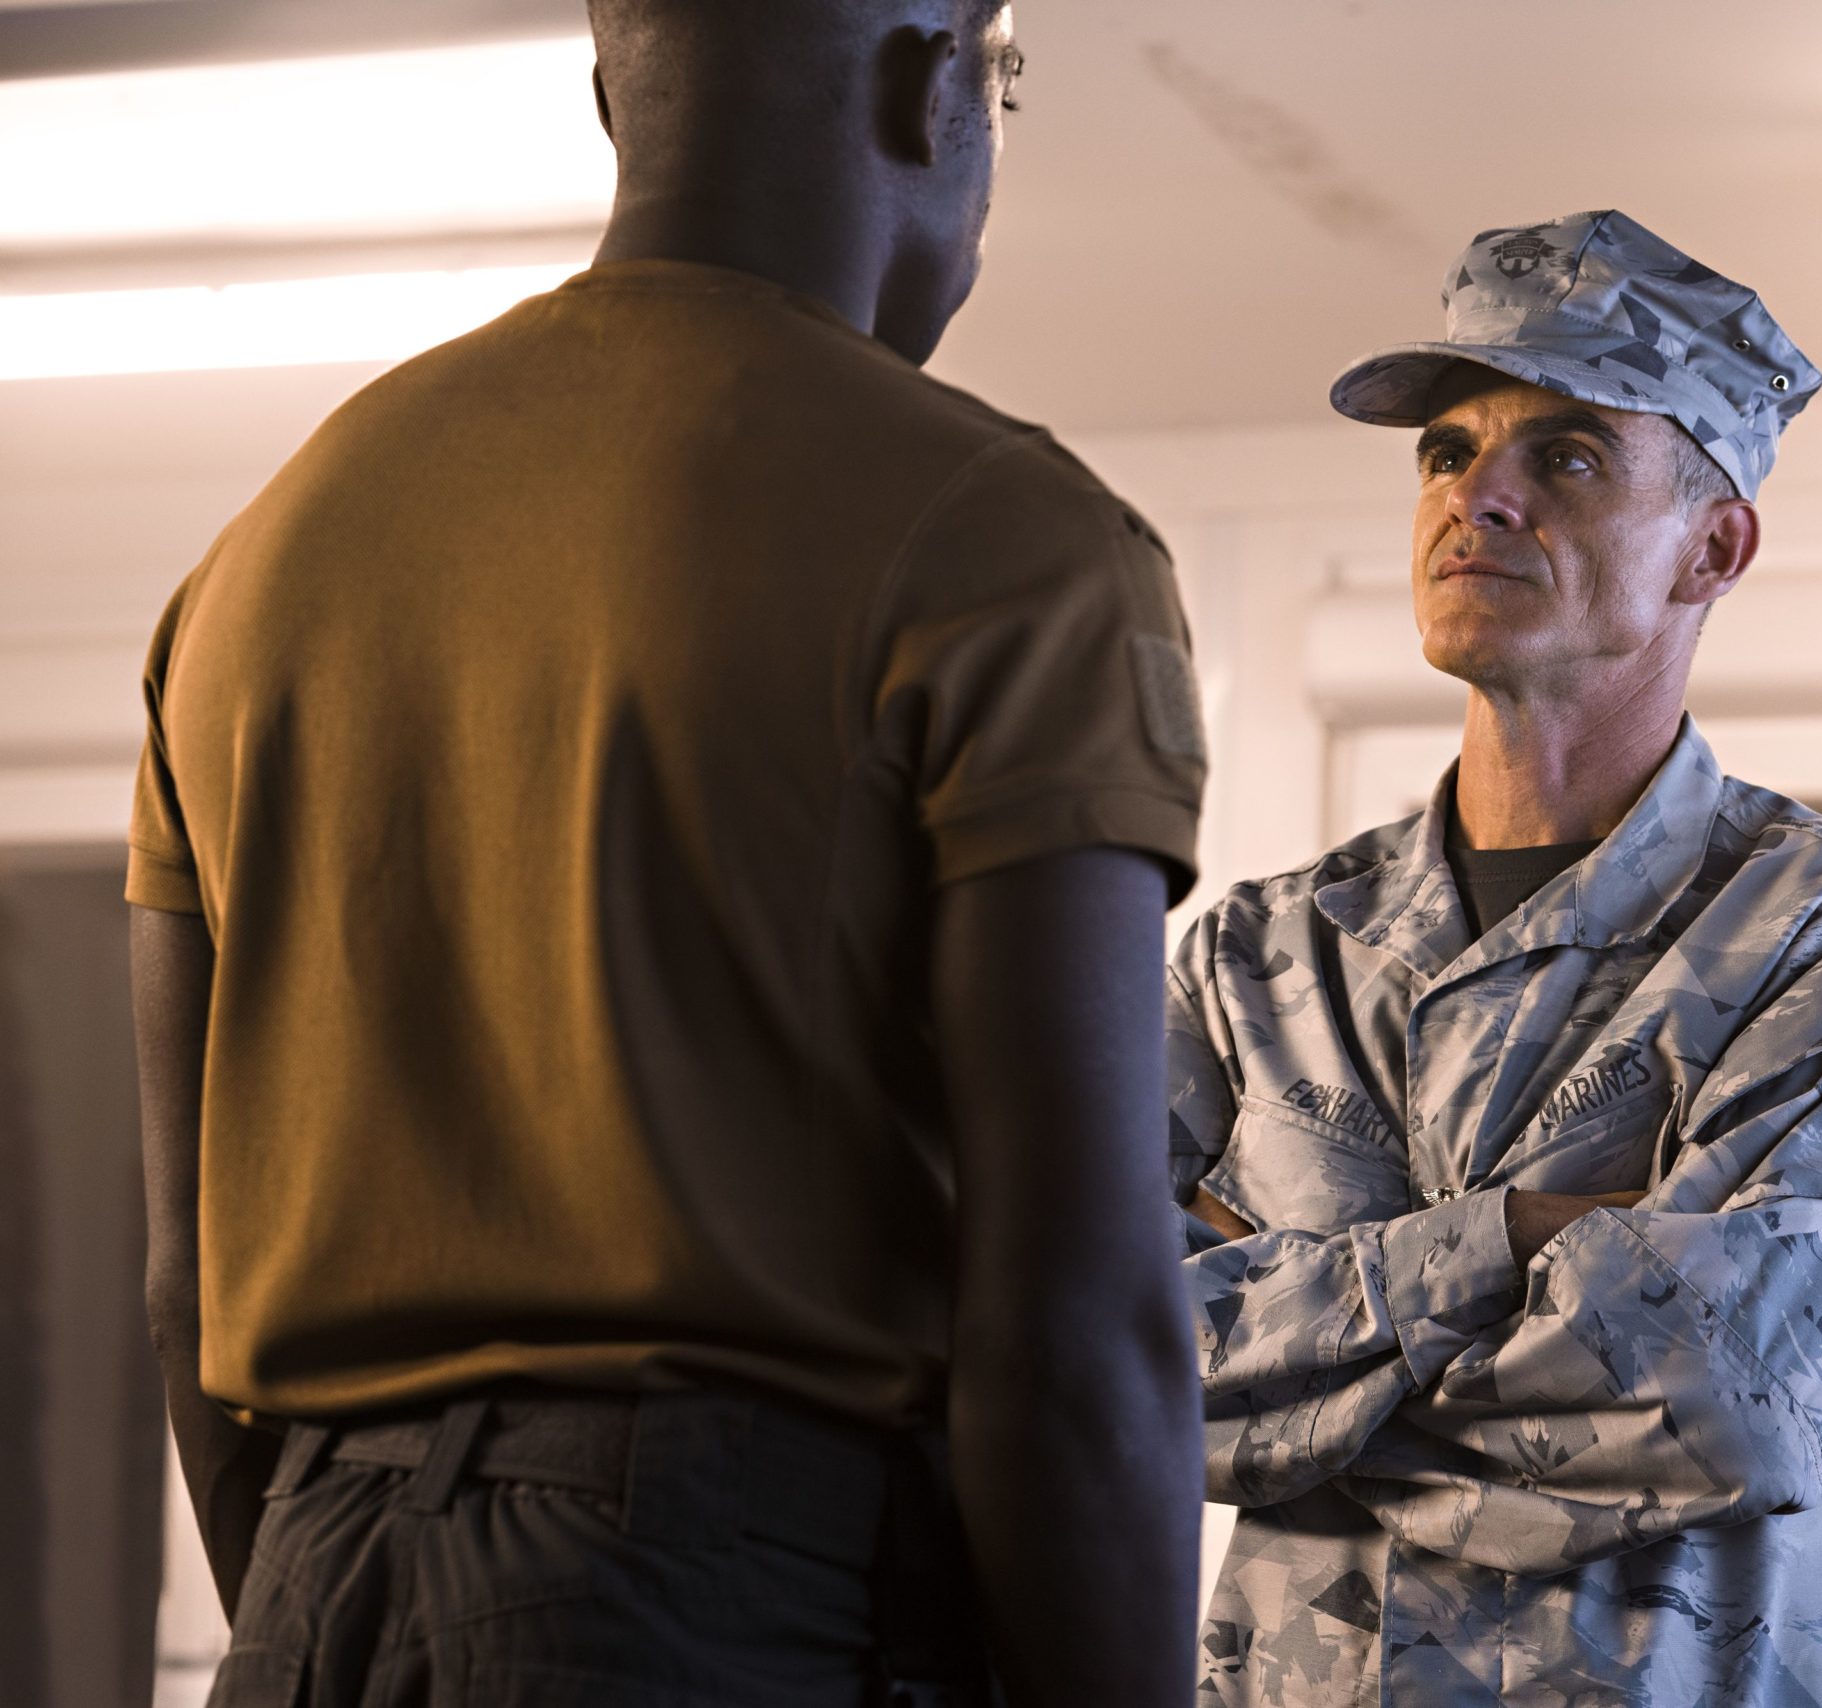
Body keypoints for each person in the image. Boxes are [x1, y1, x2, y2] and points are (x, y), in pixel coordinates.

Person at [126, 3, 1204, 1703]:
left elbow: (187, 1282)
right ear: (932, 85)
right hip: (726, 1600)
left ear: (611, 100)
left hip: (308, 1591)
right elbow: (1074, 1335)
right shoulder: (1007, 539)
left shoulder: (255, 566)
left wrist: (325, 1610)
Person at [1169, 209, 1822, 1706]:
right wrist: (1525, 1240)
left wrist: (1309, 1359)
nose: (1479, 495)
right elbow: (1090, 1351)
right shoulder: (1262, 951)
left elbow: (1740, 1395)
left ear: (1712, 548)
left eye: (1571, 457)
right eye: (1447, 451)